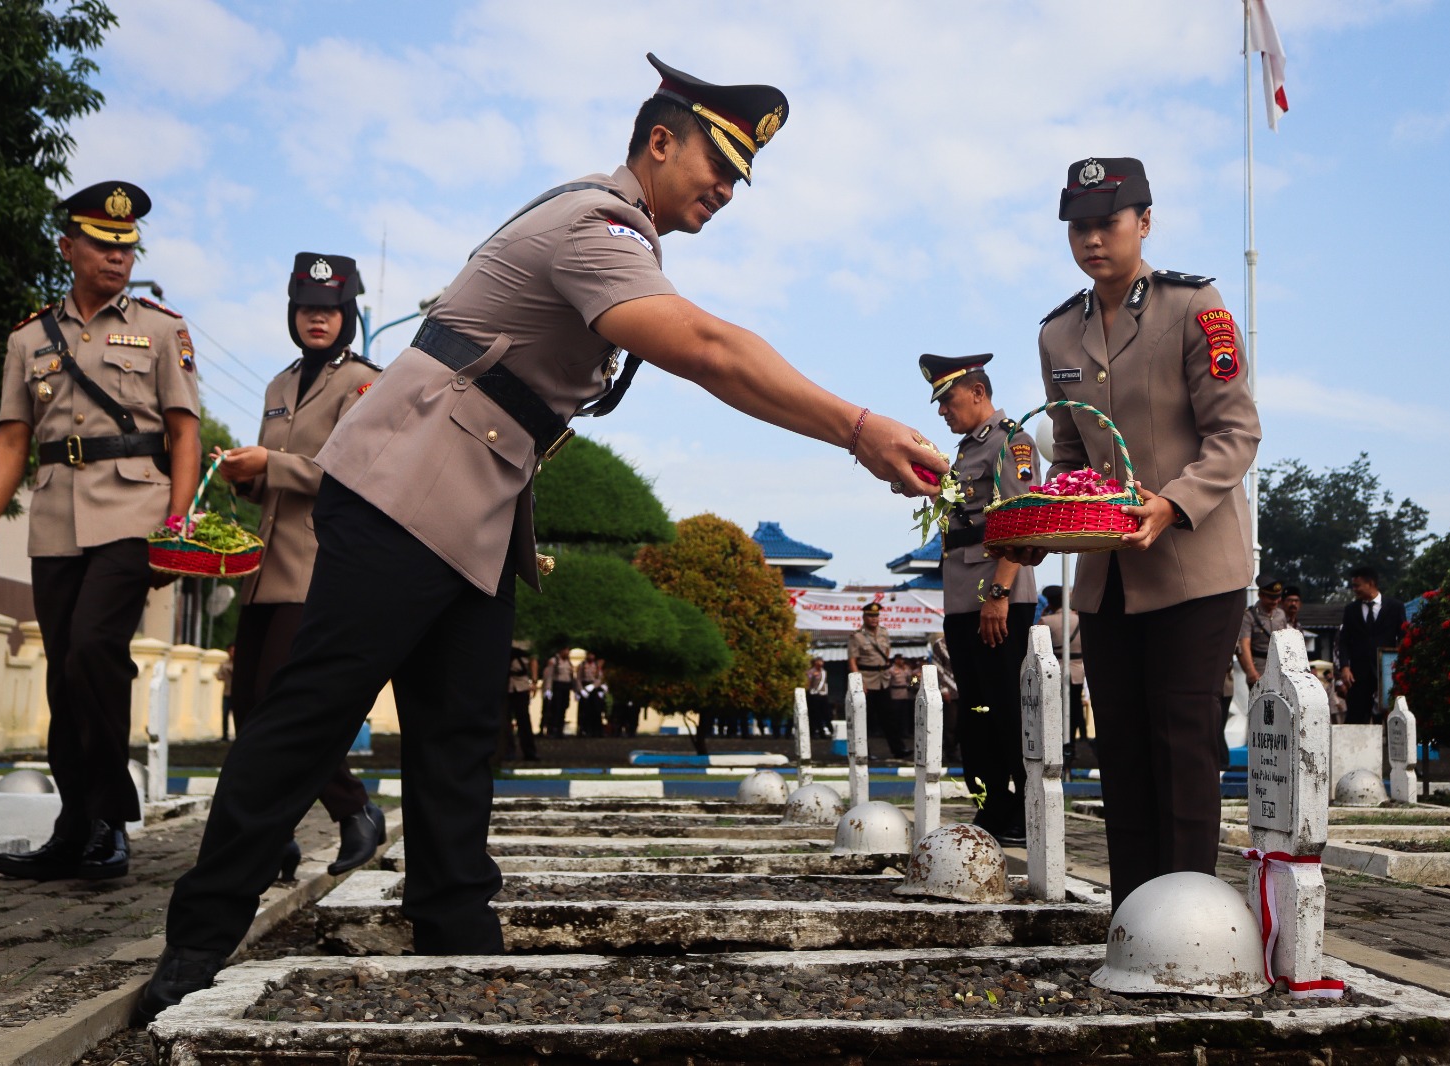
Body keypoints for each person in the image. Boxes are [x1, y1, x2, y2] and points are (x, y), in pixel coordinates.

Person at [137, 54, 943, 1022]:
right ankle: (195, 946)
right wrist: (854, 426)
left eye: (738, 178)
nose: (726, 191)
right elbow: (709, 350)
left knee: (460, 734)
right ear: (658, 141)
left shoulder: (614, 233)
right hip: (406, 490)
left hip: (473, 504)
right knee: (313, 714)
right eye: (717, 166)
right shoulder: (595, 227)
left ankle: (453, 935)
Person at [997, 157, 1261, 910]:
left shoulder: (1195, 307)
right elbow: (1073, 455)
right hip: (1107, 579)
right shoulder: (1058, 335)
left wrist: (1173, 505)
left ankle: (1188, 922)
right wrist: (1037, 525)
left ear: (1143, 221)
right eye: (1077, 227)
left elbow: (1236, 435)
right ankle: (1134, 915)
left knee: (1182, 746)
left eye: (1107, 222)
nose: (1091, 239)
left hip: (1195, 566)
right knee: (1120, 747)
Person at [0, 181, 201, 882]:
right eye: (104, 245)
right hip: (53, 519)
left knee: (93, 653)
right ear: (68, 247)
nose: (118, 256)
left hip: (135, 510)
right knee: (62, 680)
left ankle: (107, 819)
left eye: (128, 246)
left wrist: (178, 520)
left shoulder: (162, 330)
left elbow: (184, 433)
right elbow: (13, 439)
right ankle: (73, 827)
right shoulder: (28, 338)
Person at [211, 252, 387, 880]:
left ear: (348, 314)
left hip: (320, 564)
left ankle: (350, 809)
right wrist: (243, 474)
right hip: (263, 566)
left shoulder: (364, 381)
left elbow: (355, 472)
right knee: (247, 704)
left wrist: (270, 465)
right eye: (308, 309)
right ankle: (280, 833)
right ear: (293, 313)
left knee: (284, 703)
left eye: (331, 310)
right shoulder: (278, 384)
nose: (319, 320)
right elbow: (272, 482)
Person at [919, 352, 1039, 845]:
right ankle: (993, 805)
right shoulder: (968, 451)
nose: (943, 410)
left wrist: (999, 593)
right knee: (978, 709)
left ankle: (1024, 810)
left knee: (1008, 708)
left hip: (998, 597)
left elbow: (1023, 517)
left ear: (978, 393)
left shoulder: (1013, 441)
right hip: (963, 598)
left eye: (948, 399)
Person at [1336, 566, 1405, 725]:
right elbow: (1344, 640)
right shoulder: (1351, 610)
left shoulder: (1395, 607)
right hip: (1358, 674)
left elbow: (1403, 637)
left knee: (1390, 718)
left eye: (1357, 585)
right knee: (1356, 718)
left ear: (1371, 583)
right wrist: (1345, 666)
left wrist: (1400, 665)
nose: (1354, 590)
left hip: (1387, 671)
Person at [1038, 585, 1085, 767]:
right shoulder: (1079, 619)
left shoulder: (1046, 620)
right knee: (1073, 713)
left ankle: (1054, 748)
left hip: (1053, 671)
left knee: (1052, 713)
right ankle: (1070, 746)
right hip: (1076, 672)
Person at [846, 602, 901, 756]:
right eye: (870, 615)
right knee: (864, 719)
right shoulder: (857, 636)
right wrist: (859, 682)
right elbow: (852, 660)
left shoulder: (884, 633)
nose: (874, 619)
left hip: (882, 680)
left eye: (876, 615)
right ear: (864, 617)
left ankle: (898, 749)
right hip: (866, 680)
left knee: (889, 716)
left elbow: (887, 651)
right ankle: (864, 752)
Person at [1236, 575, 1288, 691]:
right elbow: (1244, 645)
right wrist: (1251, 671)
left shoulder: (1281, 615)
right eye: (1271, 597)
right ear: (1261, 595)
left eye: (1277, 597)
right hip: (1259, 668)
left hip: (1279, 668)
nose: (1275, 601)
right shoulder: (1249, 616)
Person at [501, 641, 538, 762]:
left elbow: (533, 661)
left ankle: (529, 751)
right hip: (507, 686)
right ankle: (508, 751)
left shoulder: (526, 645)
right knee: (505, 722)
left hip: (521, 686)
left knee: (524, 721)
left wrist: (534, 681)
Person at [886, 652, 916, 753]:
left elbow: (913, 680)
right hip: (895, 695)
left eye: (902, 659)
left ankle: (905, 732)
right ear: (895, 660)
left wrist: (913, 684)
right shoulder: (891, 670)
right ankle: (898, 733)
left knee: (905, 715)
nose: (901, 661)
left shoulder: (907, 669)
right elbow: (888, 683)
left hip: (906, 694)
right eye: (899, 659)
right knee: (896, 716)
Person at [542, 648, 574, 736]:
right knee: (555, 708)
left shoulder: (568, 662)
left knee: (564, 707)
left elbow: (571, 676)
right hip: (557, 686)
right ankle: (552, 729)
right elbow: (549, 676)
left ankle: (560, 729)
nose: (567, 653)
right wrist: (548, 689)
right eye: (566, 650)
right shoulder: (554, 661)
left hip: (565, 687)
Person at [804, 656, 831, 736]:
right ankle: (815, 732)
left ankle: (828, 730)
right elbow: (808, 683)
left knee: (826, 714)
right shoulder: (811, 672)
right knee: (814, 714)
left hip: (823, 695)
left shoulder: (824, 672)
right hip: (814, 695)